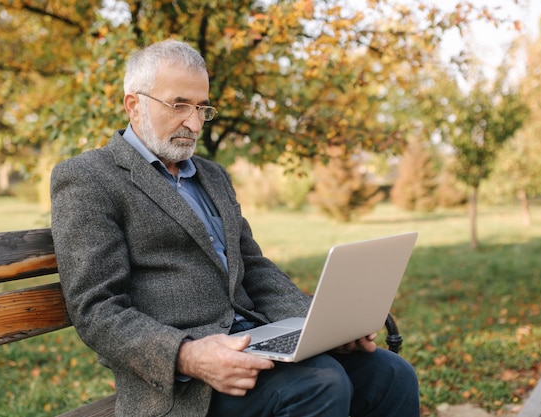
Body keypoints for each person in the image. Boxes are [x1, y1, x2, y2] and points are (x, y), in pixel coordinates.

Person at [50, 39, 420, 417]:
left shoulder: (212, 176)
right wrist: (188, 355)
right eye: (179, 105)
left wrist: (320, 327)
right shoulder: (88, 178)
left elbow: (253, 268)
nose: (193, 123)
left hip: (253, 343)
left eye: (201, 108)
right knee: (320, 383)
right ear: (134, 104)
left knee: (391, 374)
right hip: (185, 382)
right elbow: (96, 309)